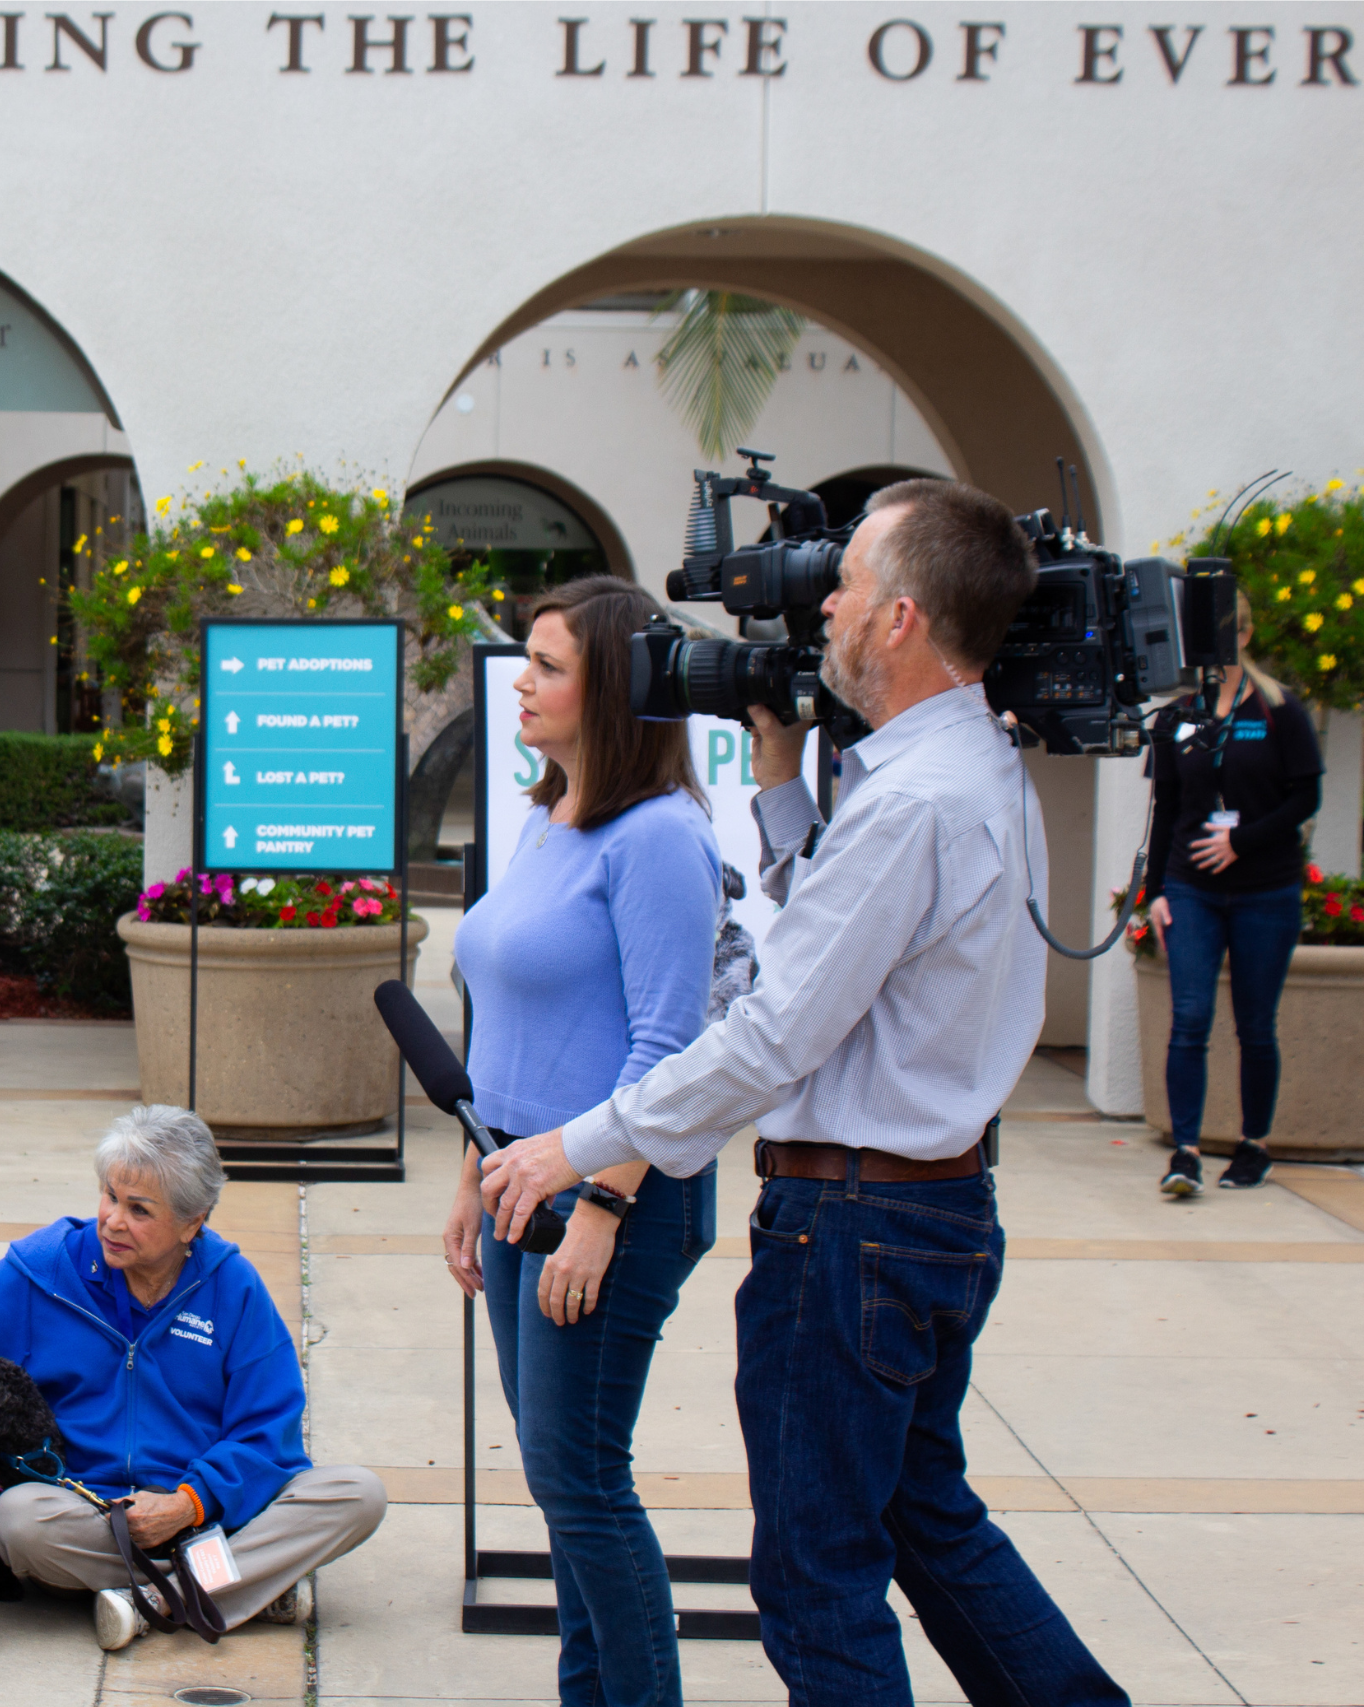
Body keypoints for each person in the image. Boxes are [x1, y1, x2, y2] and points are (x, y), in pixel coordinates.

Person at [483, 480, 1130, 1705]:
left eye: (843, 584)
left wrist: (578, 1150)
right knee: (928, 1523)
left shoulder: (914, 803)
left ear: (897, 620)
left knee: (818, 1572)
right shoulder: (963, 774)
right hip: (928, 1210)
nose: (818, 603)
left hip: (854, 1232)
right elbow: (845, 951)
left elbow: (773, 1030)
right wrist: (782, 785)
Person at [440, 576, 721, 1707]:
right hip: (519, 1183)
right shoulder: (551, 818)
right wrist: (472, 1179)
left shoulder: (660, 840)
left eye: (551, 666)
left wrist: (600, 1211)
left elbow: (668, 1046)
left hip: (610, 1200)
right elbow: (507, 1025)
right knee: (562, 1486)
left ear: (616, 692)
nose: (524, 681)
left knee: (583, 1482)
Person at [0, 1105, 386, 1651]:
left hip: (209, 1512)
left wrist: (189, 1502)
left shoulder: (233, 1287)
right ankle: (235, 1584)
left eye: (140, 1210)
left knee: (357, 1494)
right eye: (109, 1196)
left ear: (192, 1222)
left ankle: (147, 1602)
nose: (112, 1220)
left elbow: (269, 1429)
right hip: (93, 1517)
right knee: (18, 1520)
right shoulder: (45, 1270)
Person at [1144, 590, 1323, 1196]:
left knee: (1255, 1025)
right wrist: (1153, 892)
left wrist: (1240, 843)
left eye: (1225, 638)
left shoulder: (1280, 710)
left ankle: (1253, 1146)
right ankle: (1185, 1154)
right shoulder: (1180, 715)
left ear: (1245, 637)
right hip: (1191, 888)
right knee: (1189, 1019)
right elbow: (1165, 806)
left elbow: (1306, 797)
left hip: (1264, 891)